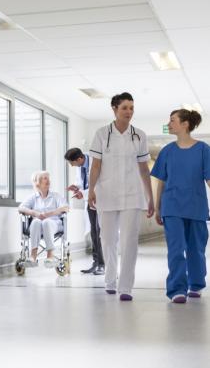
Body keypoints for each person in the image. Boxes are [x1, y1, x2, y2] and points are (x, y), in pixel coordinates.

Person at [88, 93, 154, 301]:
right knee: (107, 240)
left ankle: (125, 287)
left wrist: (150, 197)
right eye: (125, 107)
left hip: (133, 195)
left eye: (132, 108)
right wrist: (90, 190)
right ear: (114, 109)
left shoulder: (139, 135)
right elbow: (96, 165)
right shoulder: (101, 134)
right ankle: (110, 279)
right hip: (106, 194)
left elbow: (144, 169)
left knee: (129, 241)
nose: (129, 112)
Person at [151, 109, 210, 303]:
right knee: (176, 249)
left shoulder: (203, 149)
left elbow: (209, 179)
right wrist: (158, 207)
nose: (169, 123)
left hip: (196, 206)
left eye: (173, 120)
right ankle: (177, 289)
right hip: (172, 206)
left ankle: (196, 284)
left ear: (185, 124)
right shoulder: (167, 151)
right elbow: (161, 181)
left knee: (196, 249)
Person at [65, 148, 105, 275]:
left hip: (101, 200)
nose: (72, 165)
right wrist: (77, 188)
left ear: (80, 159)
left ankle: (103, 265)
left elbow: (99, 183)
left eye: (72, 163)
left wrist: (82, 193)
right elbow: (84, 183)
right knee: (93, 232)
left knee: (100, 232)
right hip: (90, 201)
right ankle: (96, 262)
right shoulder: (81, 166)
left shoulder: (96, 162)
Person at [19, 171, 69, 268]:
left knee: (46, 222)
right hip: (37, 227)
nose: (48, 180)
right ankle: (33, 256)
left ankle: (50, 256)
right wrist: (35, 213)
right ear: (37, 182)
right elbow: (21, 208)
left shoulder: (55, 196)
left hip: (54, 224)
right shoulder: (33, 197)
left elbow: (65, 208)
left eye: (48, 178)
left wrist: (48, 214)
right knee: (36, 221)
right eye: (45, 178)